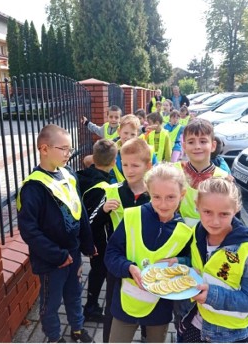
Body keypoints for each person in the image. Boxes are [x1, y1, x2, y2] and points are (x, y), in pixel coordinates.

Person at [17, 124, 96, 343]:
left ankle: (77, 329)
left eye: (69, 149)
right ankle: (53, 336)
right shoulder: (33, 187)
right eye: (63, 149)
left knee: (74, 294)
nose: (68, 154)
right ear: (44, 149)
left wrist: (87, 244)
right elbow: (29, 231)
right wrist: (58, 255)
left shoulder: (68, 174)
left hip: (73, 252)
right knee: (50, 303)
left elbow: (80, 211)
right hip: (53, 259)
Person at [105, 163, 193, 343]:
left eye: (171, 197)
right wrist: (128, 267)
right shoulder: (132, 216)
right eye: (156, 197)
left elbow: (191, 262)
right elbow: (111, 253)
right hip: (126, 303)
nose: (163, 204)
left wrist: (180, 260)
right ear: (148, 193)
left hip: (159, 307)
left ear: (182, 195)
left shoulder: (185, 231)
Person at [178, 177, 248, 343]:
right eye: (207, 212)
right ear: (197, 206)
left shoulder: (247, 253)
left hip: (229, 335)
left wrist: (211, 295)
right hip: (195, 320)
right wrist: (180, 262)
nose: (215, 221)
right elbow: (203, 266)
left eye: (224, 214)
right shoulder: (198, 233)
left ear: (236, 209)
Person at [88, 138, 152, 342]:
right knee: (113, 309)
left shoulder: (155, 195)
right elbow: (90, 225)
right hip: (116, 264)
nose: (129, 170)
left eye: (135, 165)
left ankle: (145, 336)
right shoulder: (111, 191)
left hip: (148, 264)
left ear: (148, 165)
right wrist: (103, 211)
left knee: (148, 307)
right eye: (125, 164)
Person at [76, 139, 117, 323]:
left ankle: (91, 305)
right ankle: (91, 307)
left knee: (97, 270)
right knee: (98, 270)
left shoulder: (84, 174)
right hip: (98, 238)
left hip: (84, 233)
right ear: (114, 162)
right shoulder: (103, 188)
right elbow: (94, 218)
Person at [175, 118, 230, 227]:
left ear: (213, 146)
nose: (197, 146)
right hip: (177, 234)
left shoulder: (223, 179)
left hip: (209, 235)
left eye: (203, 141)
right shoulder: (174, 172)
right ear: (184, 146)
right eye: (191, 142)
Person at [110, 114, 158, 183]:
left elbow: (155, 171)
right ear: (119, 132)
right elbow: (111, 175)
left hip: (144, 191)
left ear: (137, 134)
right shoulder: (112, 152)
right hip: (121, 192)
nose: (129, 137)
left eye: (132, 134)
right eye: (125, 133)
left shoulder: (148, 151)